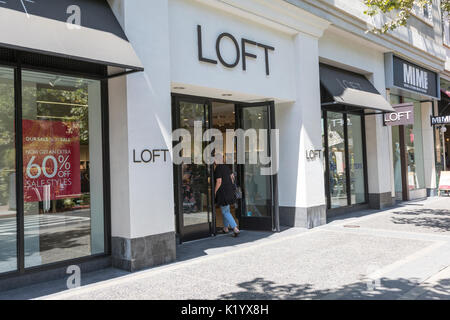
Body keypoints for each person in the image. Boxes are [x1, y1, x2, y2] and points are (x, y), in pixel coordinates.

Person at [214, 153, 240, 237]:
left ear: (215, 160)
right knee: (226, 210)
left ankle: (235, 228)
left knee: (225, 211)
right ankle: (225, 228)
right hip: (230, 191)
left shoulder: (218, 168)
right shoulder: (227, 167)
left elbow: (219, 181)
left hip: (223, 192)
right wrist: (230, 185)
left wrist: (215, 191)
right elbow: (232, 177)